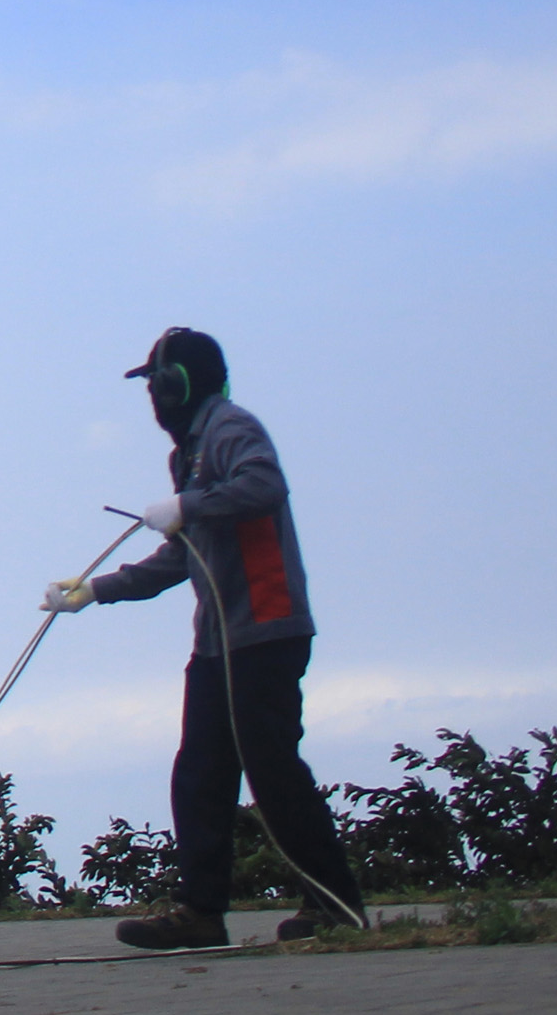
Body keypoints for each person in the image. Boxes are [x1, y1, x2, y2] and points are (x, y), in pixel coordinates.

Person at [42, 326, 366, 948]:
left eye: (156, 384)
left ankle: (336, 906)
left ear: (178, 386)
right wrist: (95, 590)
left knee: (271, 768)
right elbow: (181, 556)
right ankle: (201, 912)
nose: (152, 399)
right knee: (200, 772)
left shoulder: (230, 428)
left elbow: (264, 485)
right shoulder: (187, 455)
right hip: (219, 642)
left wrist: (188, 507)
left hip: (265, 629)